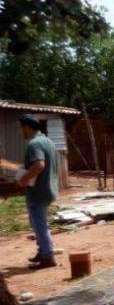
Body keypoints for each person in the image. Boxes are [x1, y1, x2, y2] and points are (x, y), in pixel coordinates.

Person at [17, 115, 58, 269]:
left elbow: (39, 165)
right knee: (38, 223)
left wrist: (24, 179)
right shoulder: (48, 141)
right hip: (48, 189)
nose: (21, 131)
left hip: (38, 191)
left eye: (21, 128)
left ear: (28, 126)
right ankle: (43, 252)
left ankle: (48, 257)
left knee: (39, 224)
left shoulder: (34, 144)